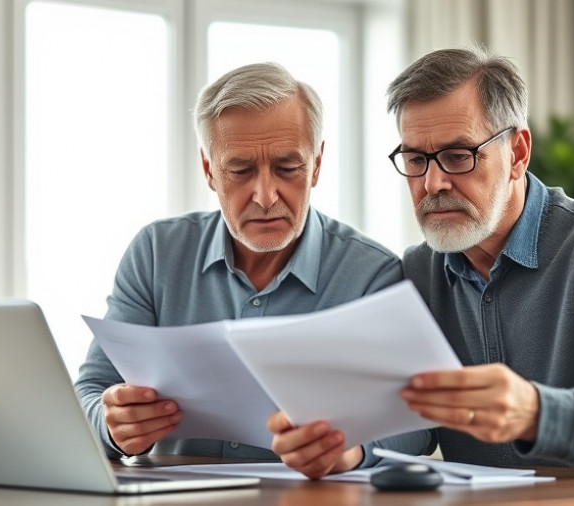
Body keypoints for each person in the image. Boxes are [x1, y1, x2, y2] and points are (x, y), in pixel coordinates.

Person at [269, 44, 574, 475]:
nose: (433, 182)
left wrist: (535, 413)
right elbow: (415, 421)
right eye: (416, 159)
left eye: (458, 156)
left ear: (517, 153)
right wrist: (352, 449)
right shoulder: (420, 272)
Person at [74, 62, 403, 467]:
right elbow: (91, 389)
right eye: (241, 170)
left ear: (316, 165)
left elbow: (417, 423)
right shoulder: (156, 254)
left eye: (287, 168)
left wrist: (353, 450)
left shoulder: (372, 275)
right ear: (210, 170)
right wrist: (113, 426)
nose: (265, 195)